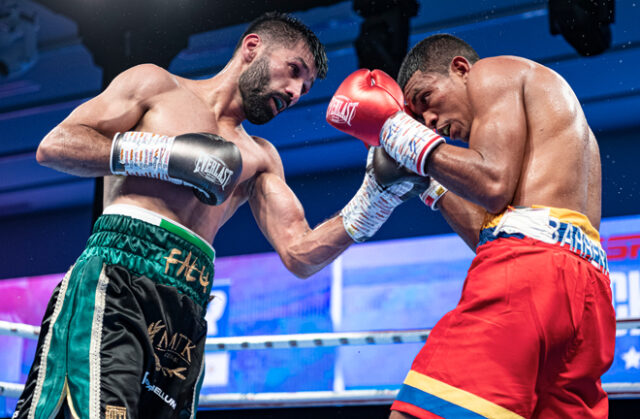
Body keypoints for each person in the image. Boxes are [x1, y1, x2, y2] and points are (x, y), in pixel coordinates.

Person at [13, 12, 430, 419]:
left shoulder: (261, 158)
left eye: (304, 87)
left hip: (185, 309)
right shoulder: (157, 86)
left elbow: (301, 254)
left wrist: (374, 201)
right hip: (119, 276)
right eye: (293, 70)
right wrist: (164, 155)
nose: (295, 92)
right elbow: (57, 145)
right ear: (252, 48)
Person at [326, 34, 616, 418]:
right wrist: (429, 183)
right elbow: (493, 236)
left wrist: (396, 130)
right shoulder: (550, 126)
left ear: (459, 69)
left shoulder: (492, 72)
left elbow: (492, 185)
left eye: (426, 100)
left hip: (532, 277)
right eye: (418, 118)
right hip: (587, 293)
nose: (428, 122)